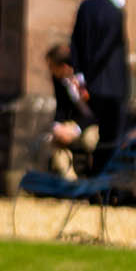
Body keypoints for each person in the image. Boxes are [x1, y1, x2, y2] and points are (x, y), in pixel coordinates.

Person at [68, 0, 132, 160]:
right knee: (112, 139)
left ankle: (96, 182)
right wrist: (89, 72)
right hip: (111, 85)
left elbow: (75, 42)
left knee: (95, 136)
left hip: (91, 84)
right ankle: (105, 185)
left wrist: (80, 74)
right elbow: (105, 49)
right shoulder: (116, 11)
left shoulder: (86, 5)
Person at [42, 42, 97, 179]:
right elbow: (61, 108)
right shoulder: (59, 80)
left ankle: (94, 182)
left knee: (89, 140)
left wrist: (76, 130)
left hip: (94, 124)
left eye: (51, 67)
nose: (50, 71)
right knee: (53, 140)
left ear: (64, 67)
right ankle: (70, 182)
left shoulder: (89, 77)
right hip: (74, 122)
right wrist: (57, 127)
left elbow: (97, 112)